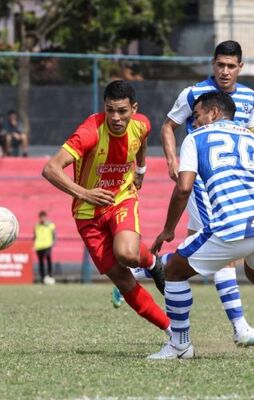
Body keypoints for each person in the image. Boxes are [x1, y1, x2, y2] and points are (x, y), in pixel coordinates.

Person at [148, 92, 254, 359]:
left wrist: (169, 229)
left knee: (173, 271)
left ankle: (180, 346)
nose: (194, 123)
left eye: (197, 116)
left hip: (230, 225)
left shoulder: (195, 138)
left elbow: (184, 188)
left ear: (214, 113)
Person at [156, 40, 254, 347]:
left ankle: (143, 267)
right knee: (226, 252)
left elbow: (248, 133)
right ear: (212, 64)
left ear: (240, 67)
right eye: (220, 64)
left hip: (233, 184)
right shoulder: (194, 93)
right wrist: (173, 161)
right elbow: (168, 126)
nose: (225, 71)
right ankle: (240, 327)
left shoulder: (249, 96)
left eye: (231, 66)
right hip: (203, 181)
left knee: (195, 246)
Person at [42, 80, 170, 337]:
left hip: (121, 198)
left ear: (134, 109)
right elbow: (50, 169)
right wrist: (85, 193)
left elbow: (142, 143)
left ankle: (151, 262)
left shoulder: (142, 124)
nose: (116, 117)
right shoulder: (89, 132)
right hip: (87, 214)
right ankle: (173, 331)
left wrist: (141, 170)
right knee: (123, 280)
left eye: (122, 111)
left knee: (127, 254)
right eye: (110, 110)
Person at [34, 210, 56, 285]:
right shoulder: (37, 226)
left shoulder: (51, 225)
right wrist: (34, 244)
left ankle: (50, 275)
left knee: (48, 258)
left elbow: (54, 235)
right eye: (41, 217)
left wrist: (53, 242)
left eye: (43, 217)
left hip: (47, 245)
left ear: (45, 217)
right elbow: (35, 236)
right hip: (39, 246)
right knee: (41, 263)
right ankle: (42, 278)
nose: (42, 219)